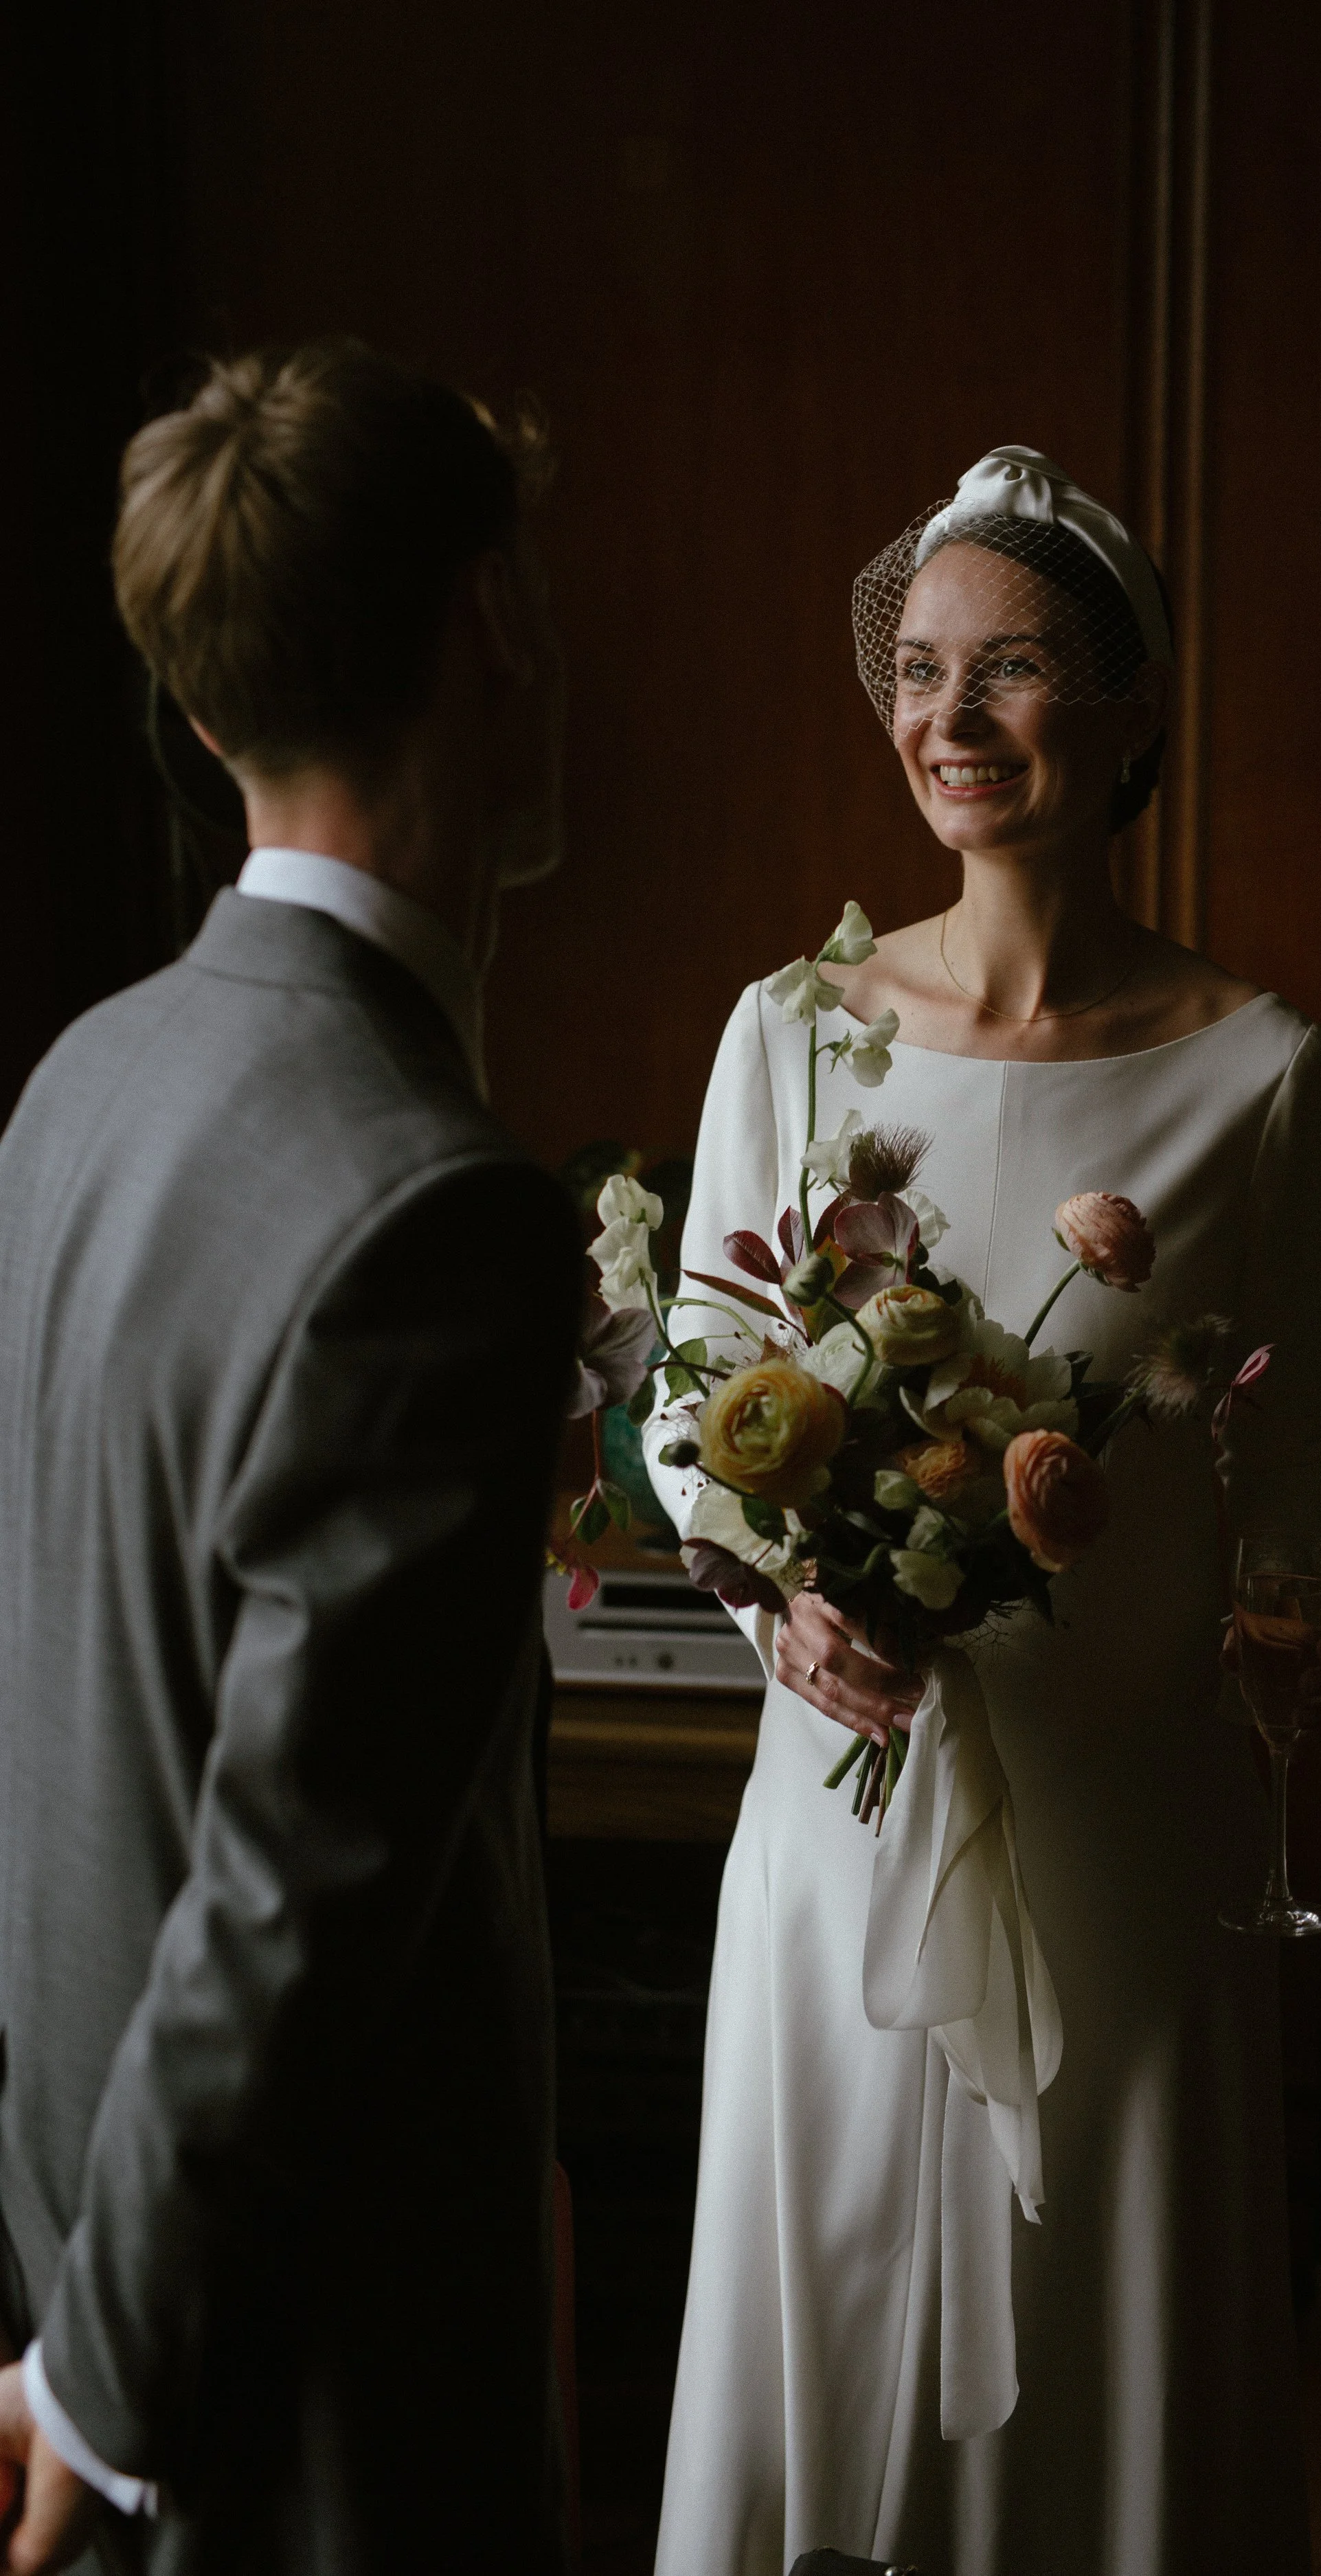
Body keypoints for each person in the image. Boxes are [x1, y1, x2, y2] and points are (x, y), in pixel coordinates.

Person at [648, 448, 1321, 2573]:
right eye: (920, 671)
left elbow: (1295, 1473)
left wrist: (1286, 1649)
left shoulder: (1261, 1070)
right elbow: (695, 1420)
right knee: (832, 2312)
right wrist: (778, 1609)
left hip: (1122, 1844)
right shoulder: (790, 1031)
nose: (948, 718)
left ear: (1132, 711)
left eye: (1016, 668)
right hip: (836, 1818)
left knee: (1101, 2363)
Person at [0, 343, 580, 2575]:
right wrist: (108, 2371)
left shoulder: (86, 1075)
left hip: (94, 2241)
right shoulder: (436, 1202)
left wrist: (73, 2310)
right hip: (295, 2374)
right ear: (490, 627)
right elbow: (289, 1900)